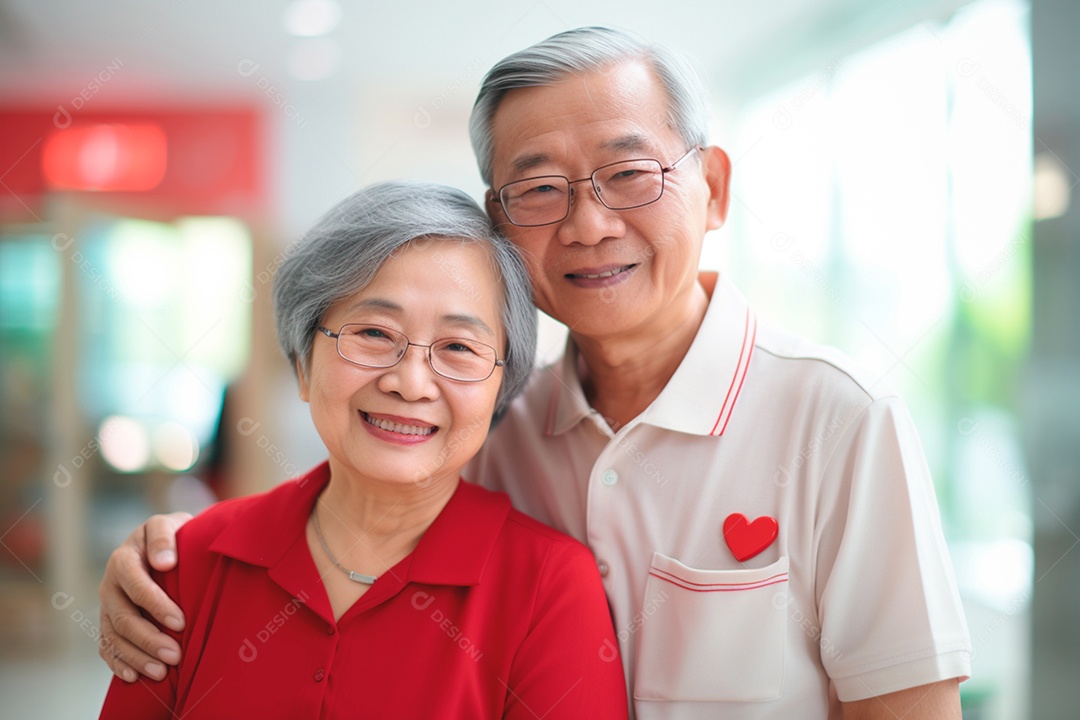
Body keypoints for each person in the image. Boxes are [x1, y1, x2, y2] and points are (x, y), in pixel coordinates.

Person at [98, 28, 971, 719]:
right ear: (501, 227)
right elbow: (356, 498)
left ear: (713, 187)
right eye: (541, 189)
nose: (589, 224)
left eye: (629, 174)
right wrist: (169, 557)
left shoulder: (838, 421)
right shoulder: (495, 427)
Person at [97, 181, 629, 719]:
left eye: (459, 348)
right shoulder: (187, 563)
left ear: (500, 389)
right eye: (374, 333)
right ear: (304, 363)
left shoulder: (548, 588)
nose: (411, 382)